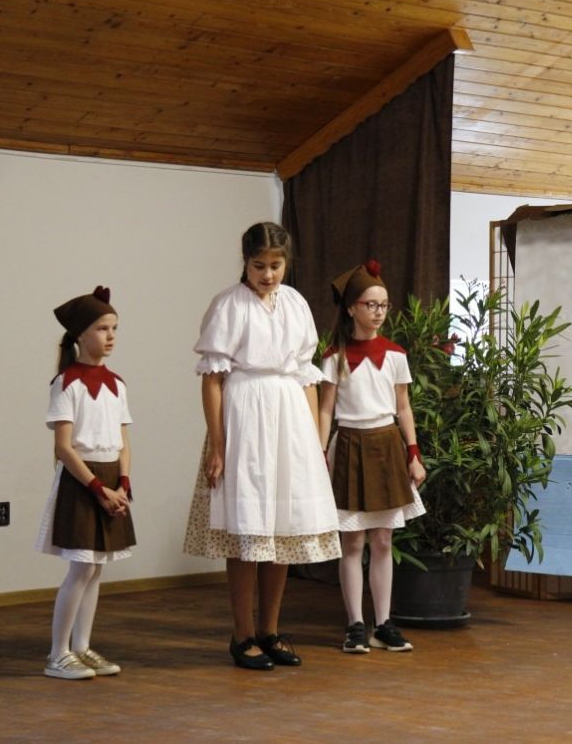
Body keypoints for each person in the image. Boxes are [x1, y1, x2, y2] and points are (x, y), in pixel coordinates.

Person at [183, 222, 341, 670]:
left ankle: (271, 630)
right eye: (259, 266)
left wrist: (314, 444)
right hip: (246, 417)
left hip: (290, 419)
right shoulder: (228, 305)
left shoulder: (295, 303)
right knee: (247, 527)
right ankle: (242, 634)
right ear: (245, 262)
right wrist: (218, 445)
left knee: (283, 528)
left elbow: (306, 377)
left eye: (275, 265)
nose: (268, 275)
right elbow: (212, 381)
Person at [318, 260, 427, 654]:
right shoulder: (334, 357)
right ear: (351, 308)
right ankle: (355, 625)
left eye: (384, 305)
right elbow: (325, 410)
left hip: (386, 447)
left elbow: (404, 407)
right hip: (349, 445)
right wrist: (319, 454)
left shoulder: (396, 355)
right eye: (370, 304)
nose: (379, 312)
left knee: (383, 538)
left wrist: (413, 453)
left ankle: (384, 624)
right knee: (352, 542)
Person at [36, 286, 134, 680]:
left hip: (111, 482)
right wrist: (98, 488)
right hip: (83, 482)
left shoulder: (117, 384)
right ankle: (57, 653)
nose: (110, 336)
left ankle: (81, 647)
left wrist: (122, 484)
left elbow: (124, 441)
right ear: (80, 334)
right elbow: (63, 447)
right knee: (80, 569)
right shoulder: (67, 383)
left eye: (114, 328)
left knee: (95, 570)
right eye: (101, 328)